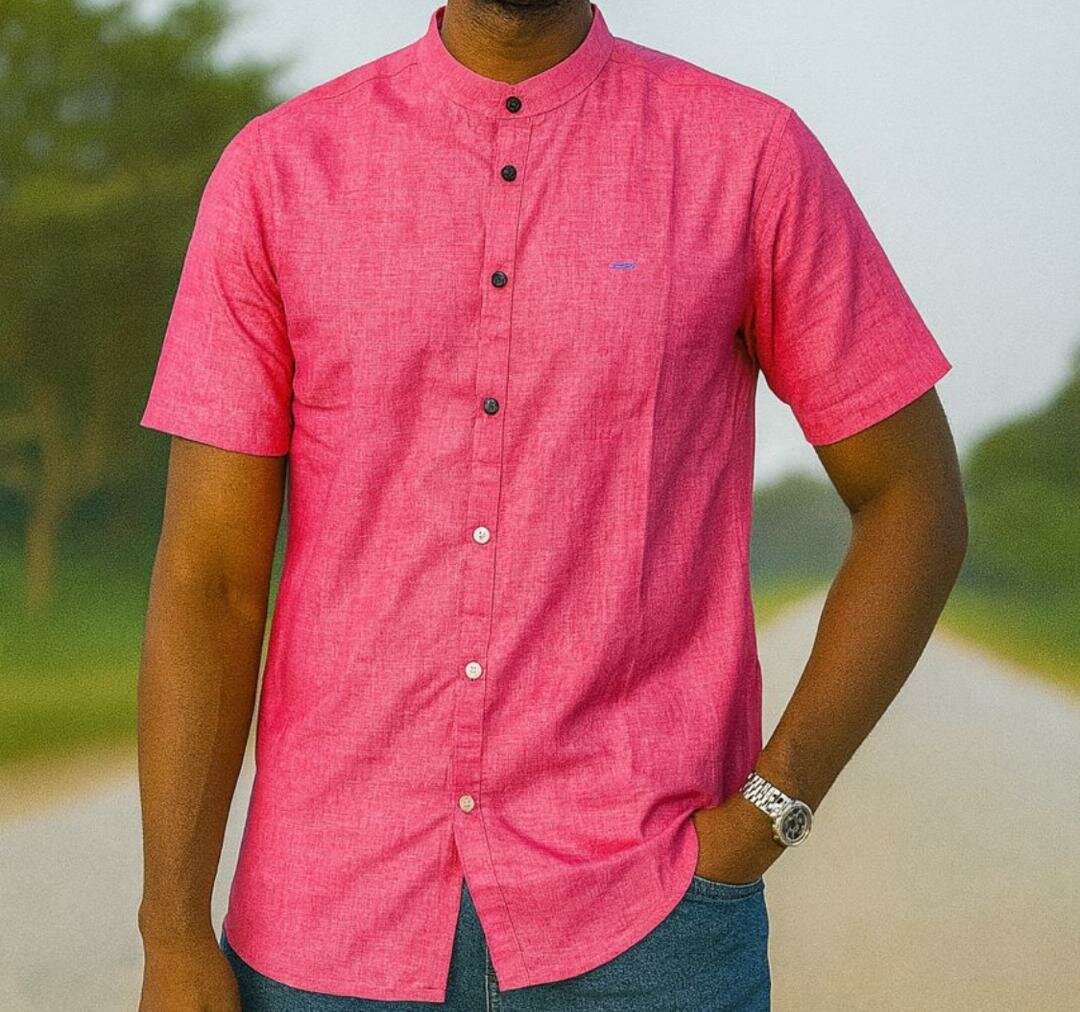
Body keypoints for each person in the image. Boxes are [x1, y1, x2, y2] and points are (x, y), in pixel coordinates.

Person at [135, 1, 968, 1009]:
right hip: (325, 935)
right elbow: (210, 579)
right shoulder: (279, 171)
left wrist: (770, 809)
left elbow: (914, 495)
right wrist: (173, 931)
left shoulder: (748, 157)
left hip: (648, 936)